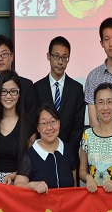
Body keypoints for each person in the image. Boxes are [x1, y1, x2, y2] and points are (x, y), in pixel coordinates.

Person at [34, 36, 85, 181]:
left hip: (69, 157)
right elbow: (34, 124)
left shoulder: (76, 89)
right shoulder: (37, 88)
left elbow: (78, 127)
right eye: (56, 56)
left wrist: (65, 151)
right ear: (48, 56)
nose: (60, 62)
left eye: (64, 57)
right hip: (42, 157)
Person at [0, 34, 38, 136]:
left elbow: (32, 118)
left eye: (4, 54)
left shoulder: (27, 85)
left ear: (12, 56)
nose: (0, 58)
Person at [0, 70, 35, 184]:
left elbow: (32, 161)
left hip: (19, 183)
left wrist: (16, 175)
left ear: (19, 94)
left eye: (13, 91)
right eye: (3, 91)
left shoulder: (28, 124)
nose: (8, 96)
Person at [15, 104, 76, 193]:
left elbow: (74, 187)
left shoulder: (68, 150)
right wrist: (32, 185)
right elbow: (18, 186)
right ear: (38, 128)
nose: (49, 128)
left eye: (53, 121)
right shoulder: (30, 155)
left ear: (59, 123)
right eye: (44, 123)